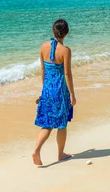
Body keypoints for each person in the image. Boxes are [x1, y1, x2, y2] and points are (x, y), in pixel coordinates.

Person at [32, 19, 76, 165]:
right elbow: (67, 74)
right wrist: (72, 94)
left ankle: (36, 150)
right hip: (60, 91)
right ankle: (60, 154)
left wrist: (44, 91)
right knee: (62, 123)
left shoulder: (43, 46)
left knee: (47, 124)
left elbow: (43, 71)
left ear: (53, 30)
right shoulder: (65, 50)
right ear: (66, 33)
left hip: (47, 90)